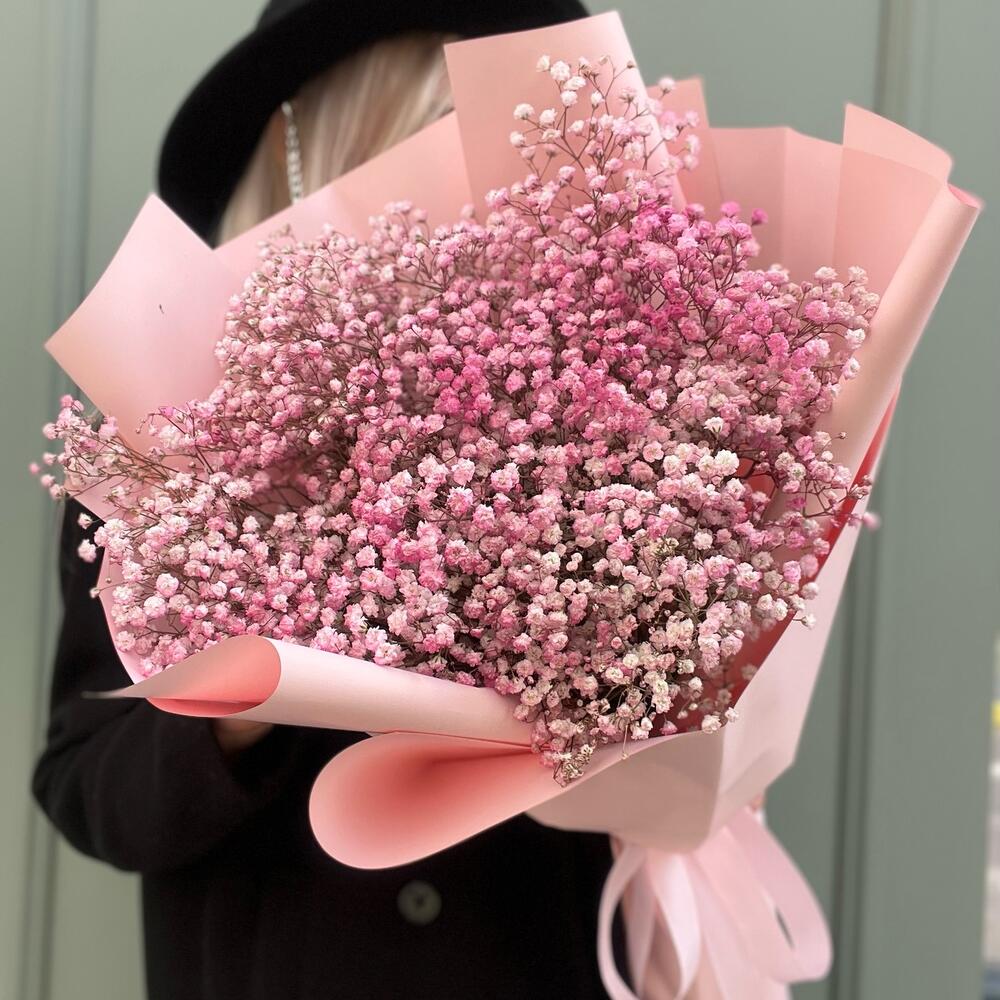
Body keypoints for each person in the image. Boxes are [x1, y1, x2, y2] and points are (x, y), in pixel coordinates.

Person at [32, 2, 628, 998]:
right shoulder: (165, 434)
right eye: (433, 132)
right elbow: (87, 783)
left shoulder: (605, 407)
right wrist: (241, 694)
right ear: (317, 148)